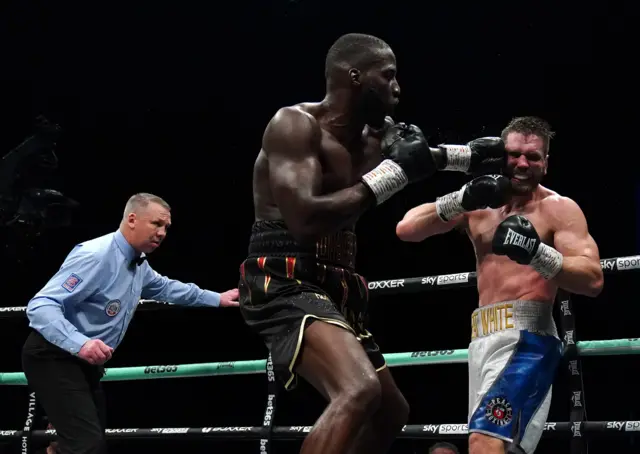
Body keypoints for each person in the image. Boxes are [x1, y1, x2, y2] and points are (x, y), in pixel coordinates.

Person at [237, 32, 505, 454]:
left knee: (389, 412)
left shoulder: (374, 140)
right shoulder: (294, 124)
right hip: (283, 274)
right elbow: (305, 220)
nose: (397, 88)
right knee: (358, 390)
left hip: (339, 281)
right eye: (389, 76)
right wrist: (392, 175)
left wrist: (468, 157)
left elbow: (420, 159)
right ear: (355, 76)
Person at [396, 116, 604, 454]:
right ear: (500, 155)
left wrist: (537, 252)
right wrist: (462, 199)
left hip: (528, 338)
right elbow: (407, 229)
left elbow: (592, 279)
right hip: (481, 339)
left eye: (533, 157)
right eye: (515, 155)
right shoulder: (479, 203)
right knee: (503, 448)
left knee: (485, 442)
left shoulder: (558, 209)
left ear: (546, 163)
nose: (523, 164)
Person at [22, 192, 239, 454]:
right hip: (53, 356)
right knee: (86, 446)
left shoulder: (137, 264)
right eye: (156, 224)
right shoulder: (96, 255)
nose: (162, 233)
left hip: (82, 362)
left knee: (76, 444)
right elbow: (41, 305)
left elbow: (166, 288)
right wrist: (81, 343)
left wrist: (216, 298)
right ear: (132, 219)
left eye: (166, 227)